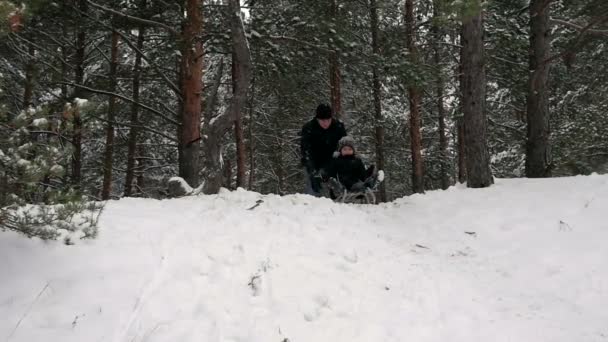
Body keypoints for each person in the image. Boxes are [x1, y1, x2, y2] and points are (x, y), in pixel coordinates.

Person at [300, 103, 347, 196]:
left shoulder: (338, 127)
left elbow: (345, 146)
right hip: (314, 161)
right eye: (322, 120)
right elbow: (305, 151)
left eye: (328, 120)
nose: (325, 123)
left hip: (333, 160)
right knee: (312, 187)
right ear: (317, 119)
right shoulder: (308, 128)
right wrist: (313, 171)